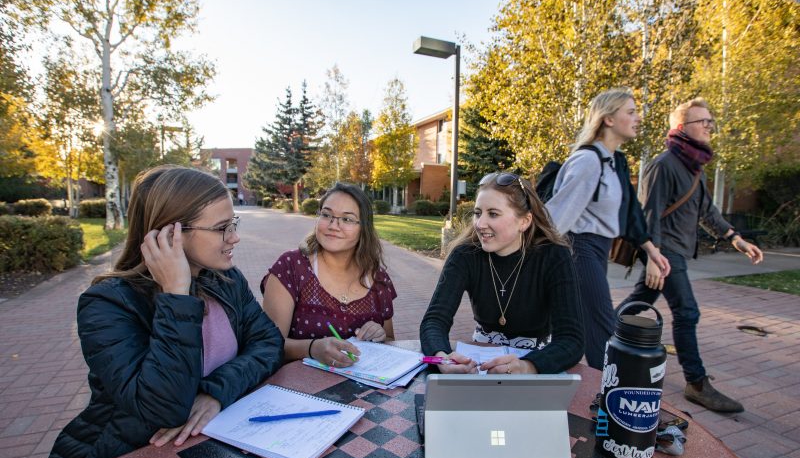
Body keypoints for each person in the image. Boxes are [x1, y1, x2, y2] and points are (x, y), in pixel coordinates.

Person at [38, 166, 284, 458]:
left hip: (207, 456)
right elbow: (163, 411)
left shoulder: (226, 280)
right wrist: (177, 296)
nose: (234, 237)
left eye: (233, 224)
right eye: (222, 228)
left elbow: (268, 344)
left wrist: (215, 392)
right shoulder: (108, 304)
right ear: (172, 235)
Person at [619, 98, 763, 413]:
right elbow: (649, 215)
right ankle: (696, 383)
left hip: (674, 251)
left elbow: (707, 211)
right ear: (682, 128)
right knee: (687, 312)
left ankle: (602, 335)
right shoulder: (664, 164)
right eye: (703, 122)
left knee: (639, 302)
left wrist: (735, 238)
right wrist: (654, 258)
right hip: (665, 250)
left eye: (711, 121)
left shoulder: (694, 167)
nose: (709, 126)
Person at [545, 88, 670, 370]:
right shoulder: (589, 161)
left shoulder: (614, 162)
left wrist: (651, 250)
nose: (638, 118)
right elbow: (556, 216)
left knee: (581, 325)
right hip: (580, 247)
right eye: (631, 111)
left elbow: (629, 213)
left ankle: (578, 390)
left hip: (598, 249)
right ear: (609, 119)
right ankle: (611, 397)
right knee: (604, 326)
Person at [420, 172, 583, 374]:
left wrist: (528, 366)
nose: (479, 224)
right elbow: (434, 320)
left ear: (524, 221)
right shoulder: (465, 255)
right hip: (480, 363)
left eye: (493, 214)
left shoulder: (554, 256)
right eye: (478, 213)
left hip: (539, 362)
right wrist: (442, 358)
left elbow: (571, 339)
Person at [261, 183, 396, 368]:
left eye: (347, 219)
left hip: (360, 390)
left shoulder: (378, 279)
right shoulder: (291, 268)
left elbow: (390, 340)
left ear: (364, 228)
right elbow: (267, 346)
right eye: (326, 215)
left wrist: (379, 334)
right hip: (298, 389)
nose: (333, 225)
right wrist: (311, 348)